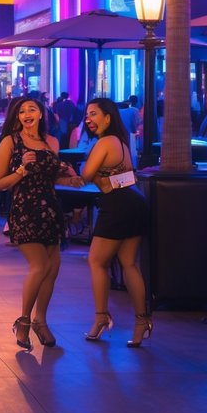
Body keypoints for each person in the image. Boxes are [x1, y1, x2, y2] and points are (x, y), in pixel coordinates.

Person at [0, 96, 76, 349]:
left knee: (52, 268)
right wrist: (21, 170)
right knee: (39, 266)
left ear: (41, 114)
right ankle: (24, 321)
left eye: (32, 109)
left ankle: (41, 321)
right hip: (25, 209)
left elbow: (52, 180)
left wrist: (71, 178)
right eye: (22, 111)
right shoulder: (11, 142)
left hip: (50, 209)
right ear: (17, 117)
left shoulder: (51, 142)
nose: (27, 113)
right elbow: (0, 183)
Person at [72, 97, 152, 348]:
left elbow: (85, 175)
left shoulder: (105, 142)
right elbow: (124, 177)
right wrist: (103, 179)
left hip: (117, 205)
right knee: (129, 264)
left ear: (108, 118)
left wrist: (93, 174)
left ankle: (101, 318)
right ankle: (142, 322)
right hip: (135, 201)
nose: (89, 119)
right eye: (87, 115)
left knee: (96, 261)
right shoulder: (122, 143)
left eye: (94, 114)